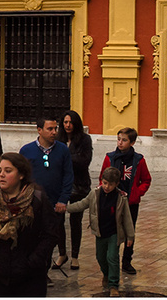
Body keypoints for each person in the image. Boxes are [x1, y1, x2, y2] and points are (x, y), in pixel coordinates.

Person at [0, 152, 58, 297]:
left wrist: (33, 261)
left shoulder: (37, 200)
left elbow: (50, 234)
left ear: (21, 175)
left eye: (8, 171)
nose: (2, 175)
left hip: (30, 277)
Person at [66, 166, 134, 295]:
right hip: (100, 232)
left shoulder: (121, 197)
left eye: (111, 184)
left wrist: (130, 236)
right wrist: (67, 208)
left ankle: (113, 284)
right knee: (100, 257)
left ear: (117, 184)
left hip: (114, 232)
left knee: (112, 257)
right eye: (105, 183)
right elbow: (82, 204)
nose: (107, 187)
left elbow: (127, 218)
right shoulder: (95, 194)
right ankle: (106, 274)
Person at [20, 116, 73, 274]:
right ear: (39, 130)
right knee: (32, 236)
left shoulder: (63, 150)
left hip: (55, 204)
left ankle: (44, 270)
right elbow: (21, 176)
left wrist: (63, 200)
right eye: (50, 129)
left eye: (55, 128)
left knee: (50, 237)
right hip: (32, 203)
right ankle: (32, 268)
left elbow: (68, 176)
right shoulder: (26, 150)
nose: (54, 132)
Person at [99, 128, 151, 275]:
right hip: (112, 202)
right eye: (119, 139)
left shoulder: (138, 160)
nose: (120, 143)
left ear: (132, 142)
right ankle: (112, 260)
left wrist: (137, 193)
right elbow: (102, 177)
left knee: (130, 231)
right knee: (112, 231)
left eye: (124, 140)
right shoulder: (110, 158)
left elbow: (146, 179)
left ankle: (127, 261)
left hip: (130, 203)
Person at [56, 110, 93, 269]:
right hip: (60, 185)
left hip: (79, 185)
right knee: (58, 221)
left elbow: (85, 161)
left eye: (70, 122)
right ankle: (62, 253)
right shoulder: (58, 139)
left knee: (75, 222)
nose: (68, 125)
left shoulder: (85, 139)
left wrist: (64, 158)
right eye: (65, 122)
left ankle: (75, 256)